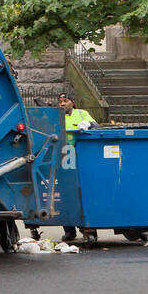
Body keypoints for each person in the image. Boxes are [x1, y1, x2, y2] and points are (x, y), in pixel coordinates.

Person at [58, 92, 96, 243]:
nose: (62, 104)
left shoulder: (82, 114)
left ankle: (88, 226)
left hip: (82, 155)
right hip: (65, 156)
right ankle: (69, 230)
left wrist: (87, 124)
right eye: (60, 101)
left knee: (85, 191)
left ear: (72, 103)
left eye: (65, 101)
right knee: (66, 192)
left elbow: (96, 125)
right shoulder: (56, 116)